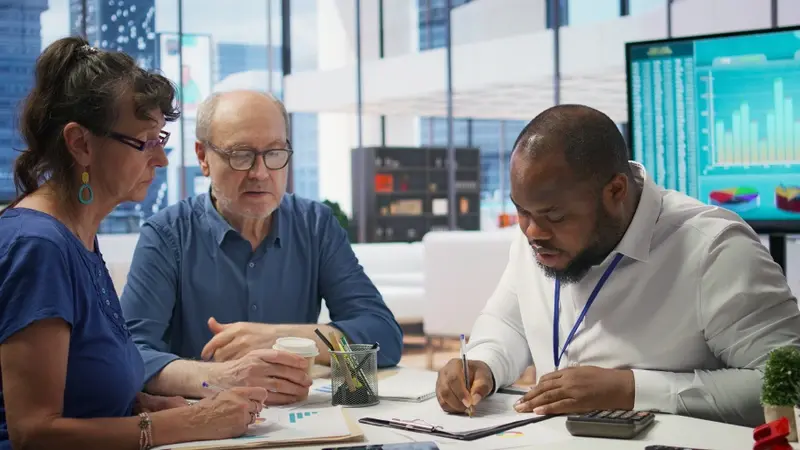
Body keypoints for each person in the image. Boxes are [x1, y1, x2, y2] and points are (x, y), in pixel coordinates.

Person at [435, 104, 800, 427]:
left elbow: (789, 383)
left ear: (615, 192)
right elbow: (510, 322)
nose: (532, 231)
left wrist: (632, 389)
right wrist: (485, 364)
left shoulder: (716, 250)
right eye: (521, 210)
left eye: (555, 215)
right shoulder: (539, 234)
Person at [0, 38, 269, 450]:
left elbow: (84, 391)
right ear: (81, 144)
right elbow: (34, 433)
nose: (160, 160)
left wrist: (149, 406)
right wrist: (193, 422)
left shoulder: (78, 236)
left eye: (161, 140)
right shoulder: (39, 246)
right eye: (145, 141)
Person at [121, 90, 403, 404]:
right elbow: (130, 357)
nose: (261, 173)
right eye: (241, 155)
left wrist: (285, 338)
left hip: (302, 421)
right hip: (204, 425)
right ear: (203, 158)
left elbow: (384, 337)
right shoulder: (167, 234)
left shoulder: (315, 225)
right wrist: (220, 379)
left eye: (274, 153)